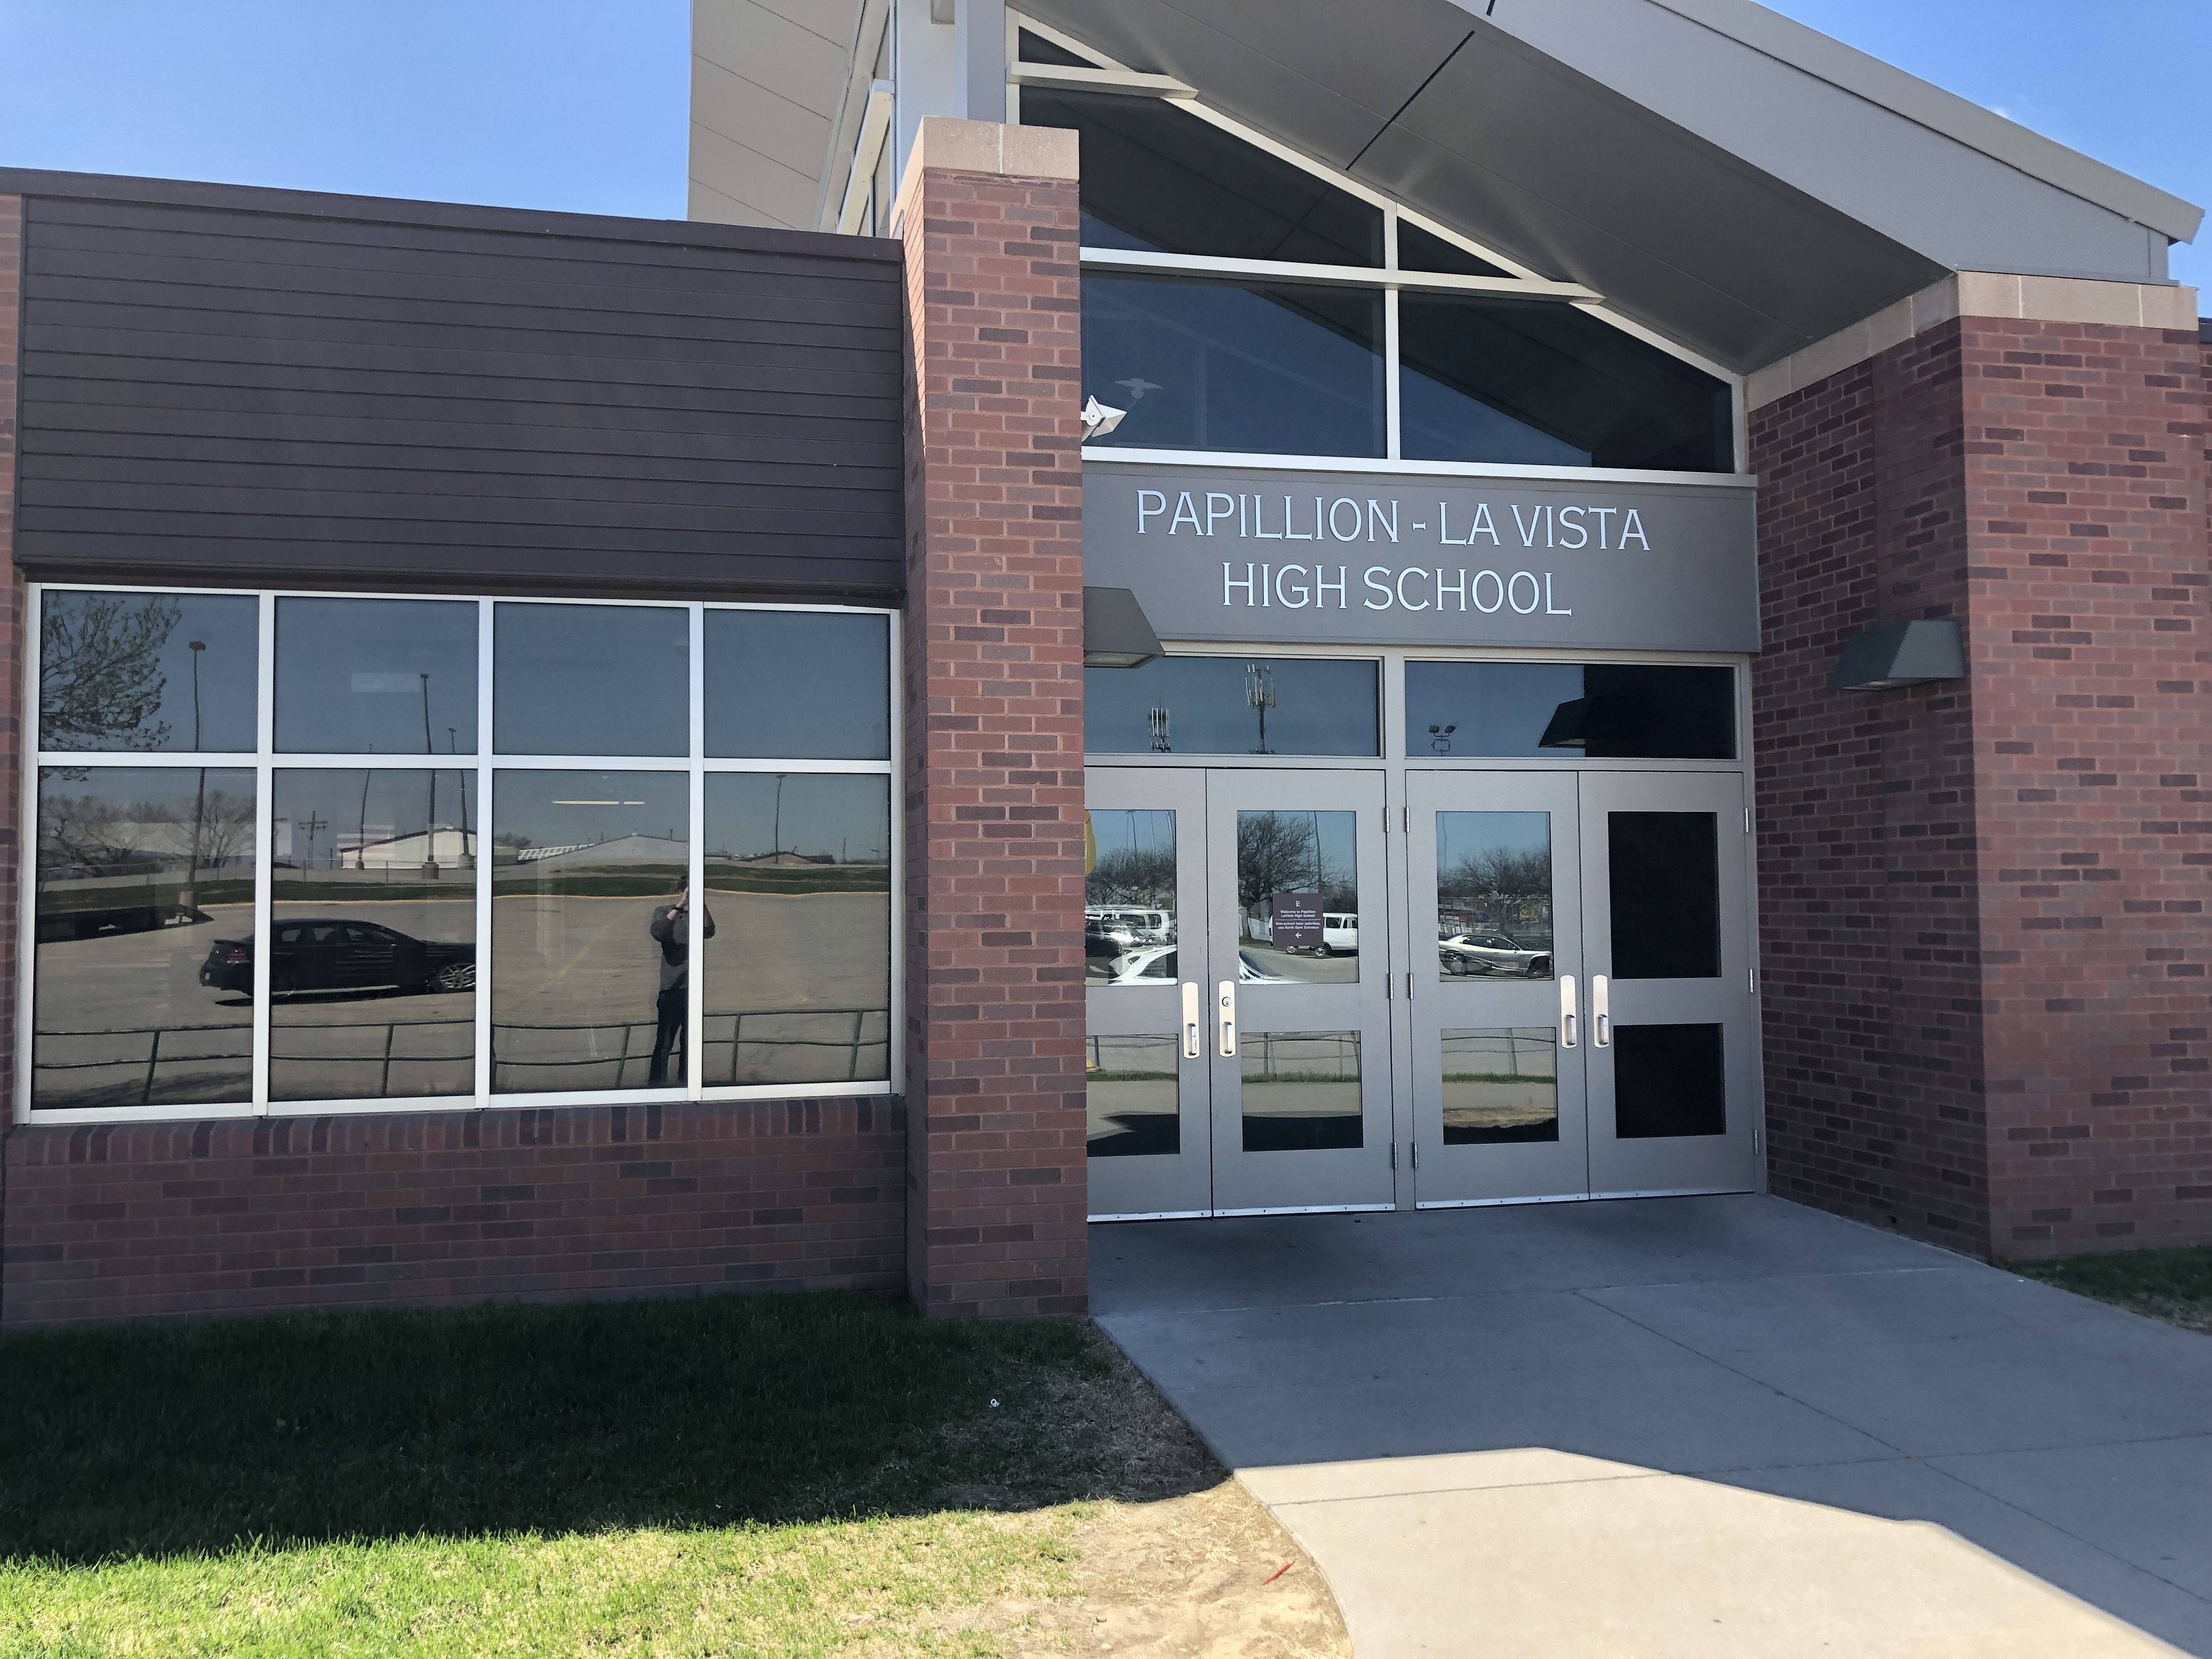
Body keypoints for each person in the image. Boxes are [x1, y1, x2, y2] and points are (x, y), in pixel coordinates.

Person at [647, 879, 715, 1085]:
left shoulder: (697, 915)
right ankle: (656, 1086)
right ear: (680, 890)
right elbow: (658, 932)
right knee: (665, 1043)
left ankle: (686, 1083)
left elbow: (709, 931)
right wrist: (680, 905)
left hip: (692, 990)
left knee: (690, 1044)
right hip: (672, 989)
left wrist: (702, 905)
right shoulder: (663, 911)